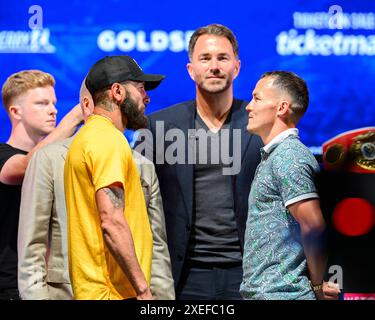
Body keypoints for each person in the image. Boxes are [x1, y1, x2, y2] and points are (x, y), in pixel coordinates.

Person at [135, 23, 263, 299]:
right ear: (191, 69)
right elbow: (137, 205)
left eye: (222, 58)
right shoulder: (157, 127)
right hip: (181, 275)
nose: (214, 66)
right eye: (205, 58)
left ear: (237, 67)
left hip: (248, 272)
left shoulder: (261, 124)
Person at [17, 80, 175, 300]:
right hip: (68, 293)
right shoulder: (48, 159)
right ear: (88, 104)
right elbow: (32, 245)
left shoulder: (142, 165)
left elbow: (156, 245)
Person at [64, 55, 165, 300]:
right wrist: (143, 290)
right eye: (141, 89)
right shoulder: (107, 139)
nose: (147, 97)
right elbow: (111, 221)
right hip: (113, 293)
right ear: (118, 91)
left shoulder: (88, 137)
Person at [240, 71, 341, 300]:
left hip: (286, 294)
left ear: (281, 108)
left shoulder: (290, 156)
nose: (248, 106)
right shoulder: (277, 156)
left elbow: (314, 226)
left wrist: (317, 286)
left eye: (257, 98)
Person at [0, 70, 83, 300]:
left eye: (54, 103)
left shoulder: (56, 159)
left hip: (56, 285)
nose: (53, 109)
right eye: (42, 103)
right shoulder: (3, 155)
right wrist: (77, 114)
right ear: (15, 112)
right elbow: (28, 166)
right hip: (11, 286)